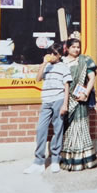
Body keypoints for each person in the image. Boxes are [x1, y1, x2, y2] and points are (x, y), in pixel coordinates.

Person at [23, 42, 72, 174]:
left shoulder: (63, 67)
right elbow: (38, 79)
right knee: (41, 129)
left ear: (60, 55)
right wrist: (44, 63)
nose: (52, 56)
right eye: (51, 53)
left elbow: (66, 86)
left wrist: (65, 104)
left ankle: (55, 159)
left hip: (58, 99)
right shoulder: (46, 66)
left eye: (55, 54)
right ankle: (38, 161)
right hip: (46, 100)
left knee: (58, 129)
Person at [60, 37, 97, 171]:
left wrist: (85, 93)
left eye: (78, 47)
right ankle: (69, 159)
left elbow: (92, 78)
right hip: (65, 100)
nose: (76, 49)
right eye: (73, 47)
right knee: (69, 130)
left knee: (80, 128)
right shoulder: (62, 61)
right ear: (67, 48)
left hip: (79, 100)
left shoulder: (84, 60)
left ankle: (84, 160)